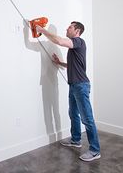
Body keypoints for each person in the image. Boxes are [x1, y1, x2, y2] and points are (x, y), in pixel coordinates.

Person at [36, 21, 101, 162]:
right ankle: (76, 140)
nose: (67, 28)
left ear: (77, 31)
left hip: (81, 86)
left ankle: (95, 150)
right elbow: (73, 65)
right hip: (73, 85)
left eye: (70, 27)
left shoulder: (78, 41)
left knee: (87, 118)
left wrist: (42, 30)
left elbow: (59, 40)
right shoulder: (74, 48)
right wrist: (59, 63)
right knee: (73, 113)